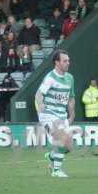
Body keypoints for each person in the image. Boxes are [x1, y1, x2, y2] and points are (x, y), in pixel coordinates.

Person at [35, 49, 76, 178]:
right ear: (56, 63)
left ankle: (52, 156)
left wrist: (72, 114)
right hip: (48, 114)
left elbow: (71, 97)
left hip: (61, 115)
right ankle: (56, 171)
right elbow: (39, 94)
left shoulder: (70, 78)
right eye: (65, 61)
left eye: (68, 60)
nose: (68, 63)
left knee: (69, 146)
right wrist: (40, 104)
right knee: (62, 140)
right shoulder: (50, 78)